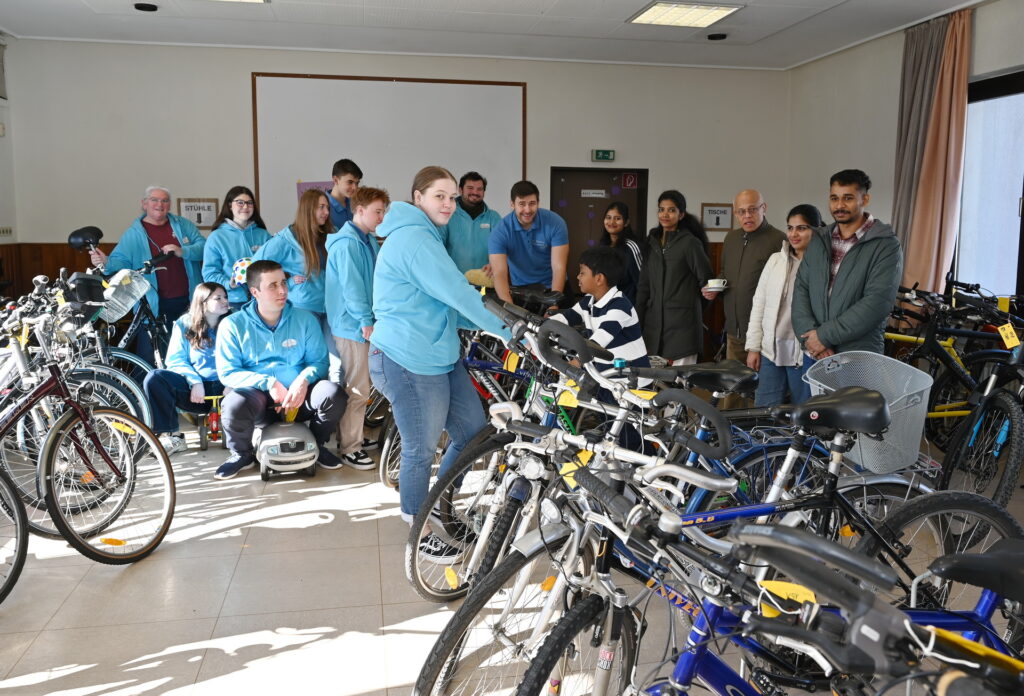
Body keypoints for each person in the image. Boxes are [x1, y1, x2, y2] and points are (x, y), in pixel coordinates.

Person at [369, 166, 511, 558]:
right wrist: (510, 331)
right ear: (418, 198)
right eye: (439, 196)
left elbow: (450, 304)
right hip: (408, 359)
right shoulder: (415, 240)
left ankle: (440, 505)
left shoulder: (429, 235)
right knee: (421, 448)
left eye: (452, 197)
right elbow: (460, 294)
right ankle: (417, 531)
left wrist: (509, 324)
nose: (448, 203)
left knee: (472, 433)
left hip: (440, 356)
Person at [214, 260, 345, 480]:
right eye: (272, 285)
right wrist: (269, 383)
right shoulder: (232, 325)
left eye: (283, 282)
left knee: (333, 393)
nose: (283, 290)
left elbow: (320, 361)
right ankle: (241, 454)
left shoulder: (305, 319)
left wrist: (303, 380)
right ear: (255, 291)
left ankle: (317, 444)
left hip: (298, 396)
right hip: (259, 400)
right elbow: (227, 372)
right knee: (232, 404)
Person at [792, 169, 903, 357]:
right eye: (834, 198)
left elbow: (876, 303)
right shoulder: (819, 239)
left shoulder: (886, 245)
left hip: (858, 354)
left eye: (848, 198)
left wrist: (824, 337)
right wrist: (810, 339)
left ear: (865, 199)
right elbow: (801, 290)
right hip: (816, 352)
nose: (839, 205)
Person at [89, 186, 206, 361]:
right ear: (144, 204)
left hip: (189, 301)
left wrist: (182, 251)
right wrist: (105, 262)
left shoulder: (183, 225)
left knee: (190, 353)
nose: (160, 204)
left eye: (165, 200)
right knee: (151, 356)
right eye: (154, 200)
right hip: (154, 305)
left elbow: (204, 248)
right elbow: (120, 263)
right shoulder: (134, 233)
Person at [325, 186, 390, 470]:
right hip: (352, 326)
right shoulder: (347, 244)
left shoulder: (367, 241)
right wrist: (365, 320)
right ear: (359, 210)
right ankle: (350, 447)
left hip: (363, 323)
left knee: (364, 386)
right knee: (357, 388)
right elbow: (353, 289)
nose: (381, 217)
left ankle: (355, 436)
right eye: (377, 211)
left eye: (383, 211)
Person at [745, 205, 821, 407]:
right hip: (771, 351)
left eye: (802, 228)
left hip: (805, 353)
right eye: (790, 228)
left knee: (803, 415)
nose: (794, 234)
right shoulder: (775, 260)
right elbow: (759, 304)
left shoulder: (822, 265)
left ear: (816, 229)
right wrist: (754, 347)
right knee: (764, 414)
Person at [143, 282, 230, 454]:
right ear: (203, 302)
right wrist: (194, 381)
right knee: (155, 378)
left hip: (228, 387)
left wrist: (233, 382)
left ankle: (254, 433)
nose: (225, 301)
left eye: (225, 297)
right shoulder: (185, 323)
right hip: (196, 392)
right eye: (218, 298)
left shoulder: (234, 322)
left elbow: (246, 358)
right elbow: (175, 360)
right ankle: (172, 436)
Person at [703, 189, 785, 364]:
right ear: (735, 213)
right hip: (734, 331)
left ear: (764, 208)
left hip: (765, 333)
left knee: (761, 388)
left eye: (753, 209)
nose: (747, 215)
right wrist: (715, 288)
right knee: (734, 386)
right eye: (741, 211)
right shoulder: (731, 238)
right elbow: (725, 273)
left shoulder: (779, 239)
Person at [636, 190, 712, 365]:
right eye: (661, 209)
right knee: (654, 387)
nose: (665, 214)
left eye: (671, 210)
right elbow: (644, 288)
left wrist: (688, 308)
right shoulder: (651, 242)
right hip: (653, 330)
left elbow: (707, 284)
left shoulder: (690, 243)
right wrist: (638, 322)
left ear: (681, 214)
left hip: (683, 331)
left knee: (679, 388)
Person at [552, 246, 648, 374]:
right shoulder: (588, 301)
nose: (578, 277)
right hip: (605, 375)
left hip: (630, 381)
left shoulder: (620, 306)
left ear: (599, 279)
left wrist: (577, 361)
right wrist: (539, 327)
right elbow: (565, 317)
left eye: (582, 272)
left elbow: (598, 342)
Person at [252, 189, 332, 318]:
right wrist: (286, 283)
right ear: (308, 209)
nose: (326, 212)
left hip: (331, 305)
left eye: (327, 207)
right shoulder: (286, 239)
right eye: (321, 207)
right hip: (304, 307)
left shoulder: (331, 233)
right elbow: (256, 264)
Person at [488, 180, 569, 305]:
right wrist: (509, 308)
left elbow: (559, 267)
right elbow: (499, 273)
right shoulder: (500, 231)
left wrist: (553, 304)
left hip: (555, 288)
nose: (527, 210)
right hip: (522, 291)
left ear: (538, 203)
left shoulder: (555, 223)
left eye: (532, 203)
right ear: (512, 204)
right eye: (521, 204)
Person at [202, 186, 271, 309]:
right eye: (240, 202)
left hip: (262, 299)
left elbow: (273, 264)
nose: (245, 207)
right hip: (231, 301)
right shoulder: (216, 237)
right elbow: (209, 273)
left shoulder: (263, 235)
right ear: (229, 205)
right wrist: (229, 284)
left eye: (249, 203)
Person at [443, 171, 502, 273]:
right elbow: (437, 247)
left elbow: (503, 247)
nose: (475, 192)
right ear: (460, 190)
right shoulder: (447, 214)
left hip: (485, 282)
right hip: (454, 282)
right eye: (470, 188)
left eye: (479, 189)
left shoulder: (494, 218)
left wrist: (495, 264)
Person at [598, 201, 645, 304]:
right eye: (608, 217)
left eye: (617, 218)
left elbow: (642, 282)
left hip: (628, 306)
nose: (611, 222)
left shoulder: (632, 247)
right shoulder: (603, 246)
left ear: (626, 222)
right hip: (607, 305)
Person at [328, 158, 363, 230]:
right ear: (336, 180)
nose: (355, 187)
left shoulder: (356, 203)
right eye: (350, 182)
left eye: (357, 183)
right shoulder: (322, 207)